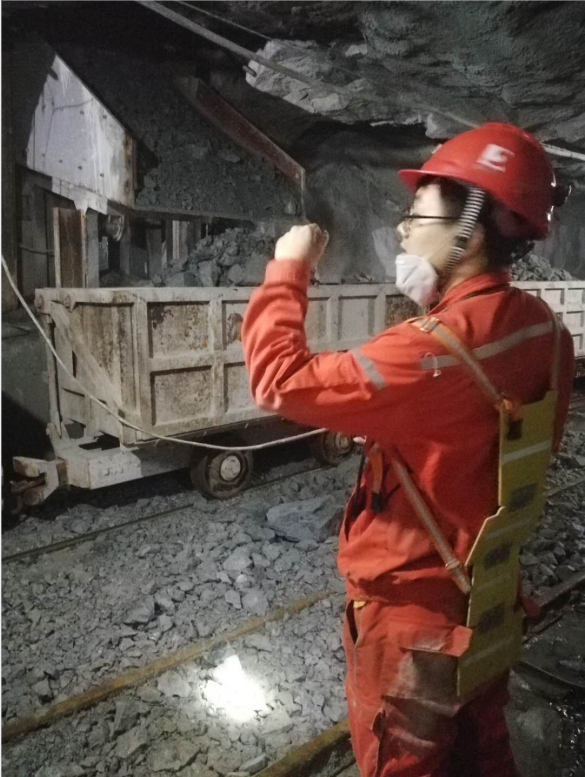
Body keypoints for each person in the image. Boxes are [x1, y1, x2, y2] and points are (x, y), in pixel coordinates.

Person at [241, 123, 574, 777]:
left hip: (414, 624)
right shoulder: (546, 332)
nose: (402, 231)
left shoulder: (431, 351)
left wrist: (288, 269)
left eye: (417, 216)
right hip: (489, 597)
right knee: (482, 753)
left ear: (468, 233)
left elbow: (278, 380)